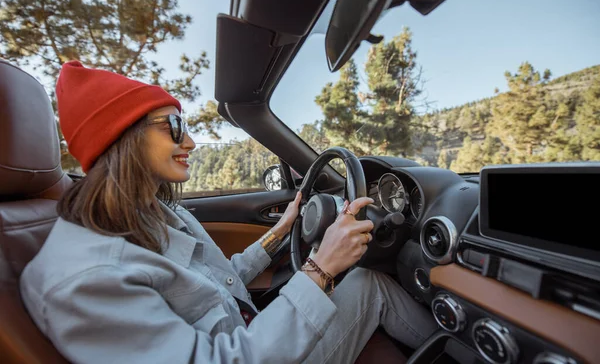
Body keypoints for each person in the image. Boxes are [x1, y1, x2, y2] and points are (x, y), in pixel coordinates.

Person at [19, 61, 437, 364]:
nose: (192, 143)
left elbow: (221, 277)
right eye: (175, 126)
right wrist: (321, 269)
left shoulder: (149, 213)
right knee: (369, 285)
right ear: (121, 137)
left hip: (250, 334)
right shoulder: (86, 280)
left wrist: (282, 230)